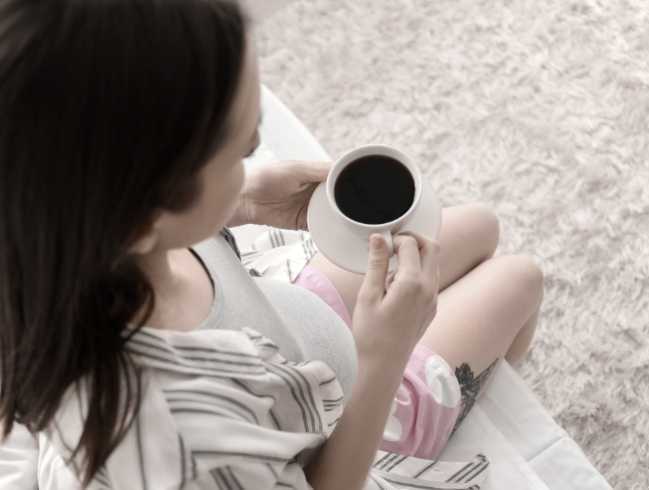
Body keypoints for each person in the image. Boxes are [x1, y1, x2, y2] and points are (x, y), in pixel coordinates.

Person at [0, 0, 541, 488]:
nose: (257, 151)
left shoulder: (56, 243)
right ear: (145, 213)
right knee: (519, 280)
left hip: (286, 337)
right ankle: (486, 407)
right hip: (357, 427)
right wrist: (384, 357)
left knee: (473, 225)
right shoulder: (182, 444)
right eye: (238, 151)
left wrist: (242, 202)